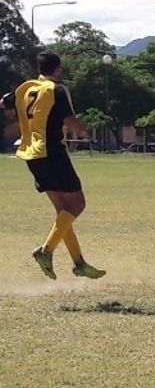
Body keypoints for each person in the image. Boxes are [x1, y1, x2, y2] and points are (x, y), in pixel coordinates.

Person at [9, 51, 105, 280]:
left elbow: (4, 102)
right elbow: (70, 121)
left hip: (31, 155)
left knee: (63, 211)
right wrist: (83, 132)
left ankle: (79, 262)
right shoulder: (56, 89)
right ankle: (46, 251)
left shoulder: (25, 89)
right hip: (51, 153)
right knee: (77, 204)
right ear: (58, 69)